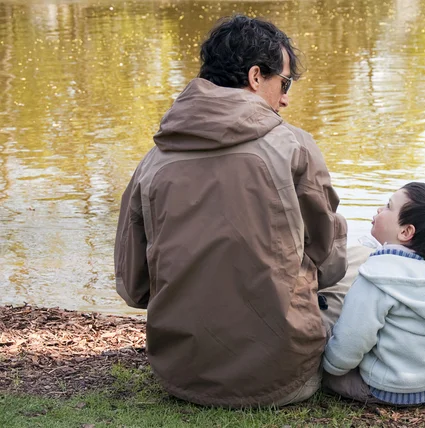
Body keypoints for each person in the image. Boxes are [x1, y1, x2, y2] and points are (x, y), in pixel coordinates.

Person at [114, 15, 349, 408]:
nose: (286, 98)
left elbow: (133, 286)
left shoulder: (153, 161)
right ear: (257, 77)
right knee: (359, 263)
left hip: (180, 374)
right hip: (283, 379)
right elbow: (330, 261)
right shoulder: (294, 146)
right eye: (285, 83)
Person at [322, 182, 425, 406]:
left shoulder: (375, 278)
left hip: (390, 389)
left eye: (388, 206)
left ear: (406, 231)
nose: (380, 210)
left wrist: (332, 366)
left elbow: (354, 336)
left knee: (328, 373)